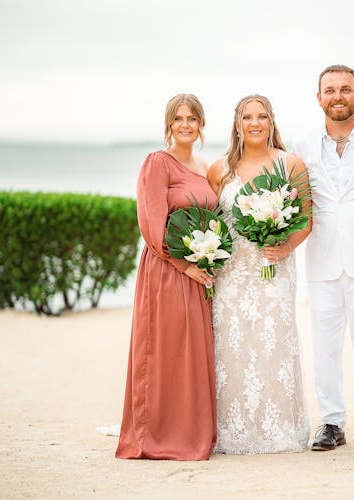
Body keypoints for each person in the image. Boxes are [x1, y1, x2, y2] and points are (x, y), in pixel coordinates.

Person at [293, 65, 354, 451]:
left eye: (345, 89)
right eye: (330, 90)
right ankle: (332, 422)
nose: (338, 96)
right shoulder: (302, 143)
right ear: (318, 98)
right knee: (325, 345)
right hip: (321, 259)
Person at [207, 94, 311, 454]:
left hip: (274, 268)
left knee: (273, 343)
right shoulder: (219, 169)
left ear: (271, 122)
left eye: (262, 116)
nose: (255, 123)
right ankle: (231, 429)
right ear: (237, 124)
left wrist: (283, 247)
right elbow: (213, 224)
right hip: (232, 274)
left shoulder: (289, 163)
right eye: (247, 117)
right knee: (231, 347)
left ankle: (277, 427)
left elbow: (306, 221)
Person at [116, 94, 217, 460]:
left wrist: (209, 261)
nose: (186, 124)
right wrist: (185, 264)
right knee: (163, 350)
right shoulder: (158, 163)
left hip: (198, 275)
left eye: (193, 118)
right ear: (169, 125)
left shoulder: (206, 168)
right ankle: (154, 436)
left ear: (201, 124)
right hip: (166, 271)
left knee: (190, 354)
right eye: (179, 119)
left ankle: (191, 431)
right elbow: (152, 224)